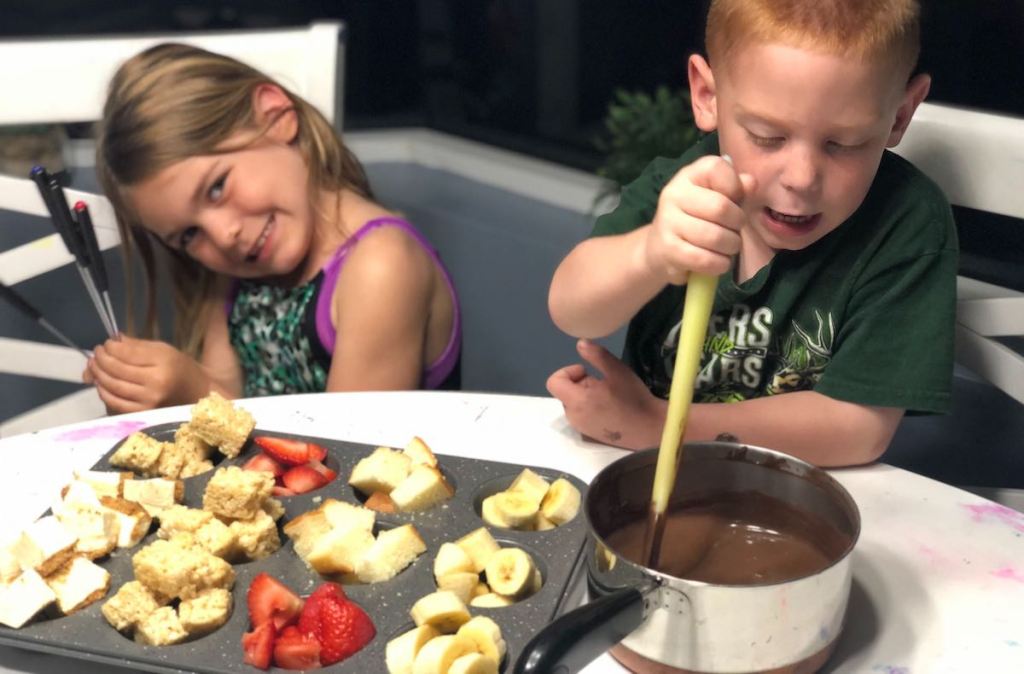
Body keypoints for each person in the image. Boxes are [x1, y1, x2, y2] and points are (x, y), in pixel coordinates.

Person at [546, 0, 957, 467]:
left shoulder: (906, 223)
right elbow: (572, 310)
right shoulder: (683, 187)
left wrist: (659, 426)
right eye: (766, 135)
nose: (802, 177)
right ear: (707, 96)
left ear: (900, 116)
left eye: (844, 144)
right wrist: (650, 253)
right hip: (655, 479)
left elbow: (857, 429)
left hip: (798, 493)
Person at [85, 44, 461, 413]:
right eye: (188, 235)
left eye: (217, 187)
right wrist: (144, 395)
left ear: (275, 115)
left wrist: (196, 393)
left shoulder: (382, 266)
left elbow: (353, 458)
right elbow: (223, 420)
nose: (222, 235)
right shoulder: (235, 270)